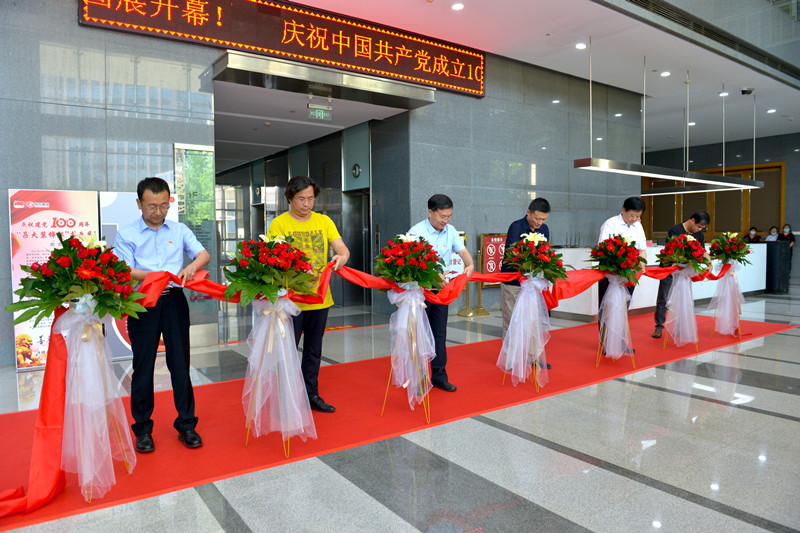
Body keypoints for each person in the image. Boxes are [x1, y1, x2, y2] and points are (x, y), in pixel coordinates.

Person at [115, 177, 210, 453]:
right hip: (142, 302)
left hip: (173, 302)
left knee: (180, 364)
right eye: (151, 206)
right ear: (139, 204)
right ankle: (143, 430)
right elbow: (124, 270)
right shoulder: (127, 234)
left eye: (164, 206)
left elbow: (202, 254)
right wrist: (157, 276)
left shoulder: (179, 230)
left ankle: (187, 425)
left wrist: (192, 267)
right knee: (143, 366)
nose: (158, 212)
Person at [268, 176, 349, 413]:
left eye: (311, 198)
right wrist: (299, 269)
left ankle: (311, 394)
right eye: (301, 199)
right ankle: (287, 399)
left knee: (314, 351)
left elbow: (342, 248)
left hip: (319, 297)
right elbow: (274, 260)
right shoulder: (279, 224)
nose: (306, 204)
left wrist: (342, 257)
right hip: (290, 301)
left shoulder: (324, 221)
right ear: (289, 198)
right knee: (287, 352)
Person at [409, 194, 474, 392]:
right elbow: (412, 263)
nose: (446, 220)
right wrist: (431, 275)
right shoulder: (416, 232)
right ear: (430, 212)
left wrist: (470, 264)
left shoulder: (450, 230)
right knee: (419, 335)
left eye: (449, 216)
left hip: (440, 290)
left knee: (439, 333)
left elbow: (462, 251)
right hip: (420, 290)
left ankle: (439, 376)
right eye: (442, 216)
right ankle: (419, 378)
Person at [652, 211, 710, 338]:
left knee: (682, 300)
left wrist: (708, 262)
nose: (699, 230)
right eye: (699, 226)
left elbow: (702, 250)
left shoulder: (698, 234)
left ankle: (680, 327)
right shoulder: (675, 230)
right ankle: (659, 326)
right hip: (669, 271)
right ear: (692, 220)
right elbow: (670, 251)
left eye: (702, 228)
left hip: (684, 274)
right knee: (663, 298)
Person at [500, 198, 551, 337]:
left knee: (532, 322)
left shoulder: (544, 229)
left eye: (543, 219)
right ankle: (510, 352)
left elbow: (546, 253)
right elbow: (512, 254)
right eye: (537, 219)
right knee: (512, 321)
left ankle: (531, 352)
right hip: (513, 282)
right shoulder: (516, 227)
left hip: (533, 284)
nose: (540, 223)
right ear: (528, 212)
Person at [597, 197, 648, 332]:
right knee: (607, 307)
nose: (634, 219)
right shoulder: (610, 224)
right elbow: (603, 250)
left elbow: (642, 249)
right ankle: (605, 340)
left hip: (629, 274)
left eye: (638, 216)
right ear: (623, 210)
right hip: (610, 274)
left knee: (624, 307)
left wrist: (641, 265)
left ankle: (619, 339)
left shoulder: (638, 226)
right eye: (632, 215)